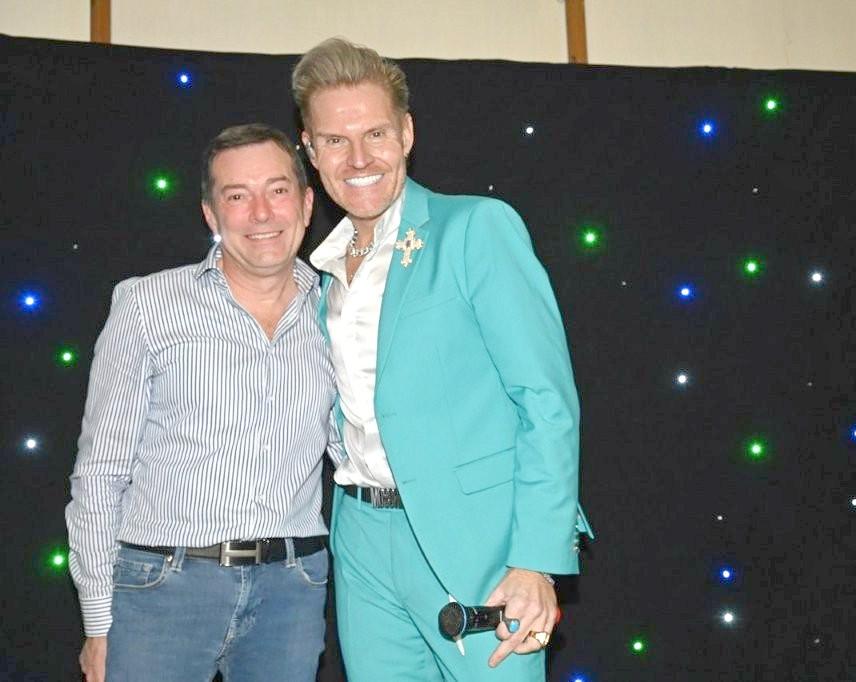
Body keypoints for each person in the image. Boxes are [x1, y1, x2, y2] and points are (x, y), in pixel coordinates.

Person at [292, 37, 592, 681]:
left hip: (481, 544)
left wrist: (537, 558)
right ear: (311, 151)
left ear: (406, 133)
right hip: (361, 541)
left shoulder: (475, 229)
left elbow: (546, 400)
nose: (359, 158)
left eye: (375, 134)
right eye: (336, 141)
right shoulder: (317, 275)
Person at [65, 123, 340, 682]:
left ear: (307, 203)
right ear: (211, 215)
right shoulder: (147, 304)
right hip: (161, 590)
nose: (261, 213)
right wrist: (98, 621)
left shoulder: (339, 311)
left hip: (292, 593)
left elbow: (359, 450)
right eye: (237, 196)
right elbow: (99, 473)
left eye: (278, 190)